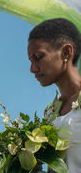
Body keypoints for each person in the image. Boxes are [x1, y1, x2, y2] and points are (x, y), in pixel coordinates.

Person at [27, 18, 81, 172]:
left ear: (66, 52)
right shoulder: (49, 113)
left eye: (38, 57)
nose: (32, 68)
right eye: (30, 60)